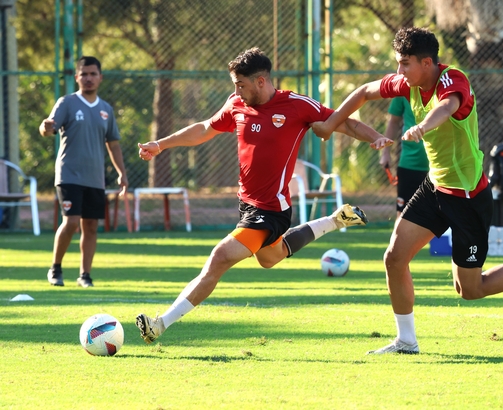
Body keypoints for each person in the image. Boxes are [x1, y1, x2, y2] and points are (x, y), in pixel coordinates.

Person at [313, 27, 503, 355]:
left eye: (404, 64)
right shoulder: (408, 83)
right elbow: (365, 92)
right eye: (398, 64)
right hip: (435, 188)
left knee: (470, 290)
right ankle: (406, 341)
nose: (399, 72)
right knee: (394, 258)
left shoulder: (454, 79)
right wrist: (331, 122)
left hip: (468, 198)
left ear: (427, 62)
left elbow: (448, 106)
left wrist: (423, 126)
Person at [135, 47, 392, 344]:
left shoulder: (296, 105)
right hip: (247, 205)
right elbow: (205, 128)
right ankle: (336, 220)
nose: (236, 91)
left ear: (260, 81)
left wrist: (376, 138)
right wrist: (161, 144)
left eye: (241, 84)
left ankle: (160, 324)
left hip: (271, 209)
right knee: (271, 258)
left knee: (218, 258)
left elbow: (343, 122)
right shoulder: (236, 104)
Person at [39, 56, 128, 288]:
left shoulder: (106, 110)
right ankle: (56, 268)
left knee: (90, 226)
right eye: (84, 74)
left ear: (100, 77)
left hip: (95, 178)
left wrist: (122, 173)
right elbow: (48, 128)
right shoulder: (66, 103)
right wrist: (46, 127)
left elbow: (113, 144)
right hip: (69, 174)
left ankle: (84, 275)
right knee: (71, 222)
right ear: (77, 77)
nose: (88, 78)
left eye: (92, 74)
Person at [380, 96, 429, 218]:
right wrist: (385, 152)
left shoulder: (445, 84)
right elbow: (393, 121)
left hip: (442, 165)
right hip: (410, 164)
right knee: (403, 215)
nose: (401, 75)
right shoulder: (402, 86)